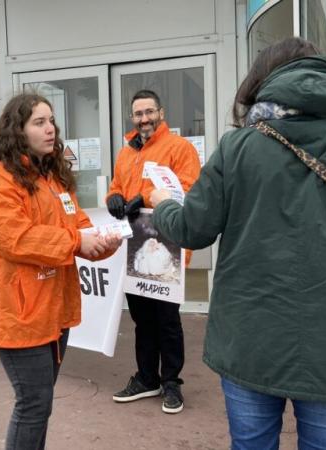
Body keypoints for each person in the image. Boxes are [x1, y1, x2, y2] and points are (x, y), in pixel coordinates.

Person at [150, 37, 326, 450]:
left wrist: (162, 207)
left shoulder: (237, 147)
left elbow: (193, 230)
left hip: (249, 335)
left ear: (262, 81)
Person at [0, 93, 122, 450]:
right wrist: (76, 241)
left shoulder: (53, 177)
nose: (50, 128)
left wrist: (100, 242)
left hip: (51, 310)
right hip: (18, 312)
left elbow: (78, 225)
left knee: (40, 403)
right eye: (39, 122)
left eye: (51, 120)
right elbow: (17, 239)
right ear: (16, 131)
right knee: (34, 403)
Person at [106, 89, 201, 413]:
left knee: (166, 319)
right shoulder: (125, 153)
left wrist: (144, 198)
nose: (144, 118)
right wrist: (114, 198)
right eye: (138, 113)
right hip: (135, 245)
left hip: (168, 247)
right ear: (132, 117)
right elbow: (117, 185)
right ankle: (147, 378)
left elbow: (187, 189)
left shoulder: (179, 148)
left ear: (161, 112)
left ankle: (171, 381)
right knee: (142, 318)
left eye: (149, 112)